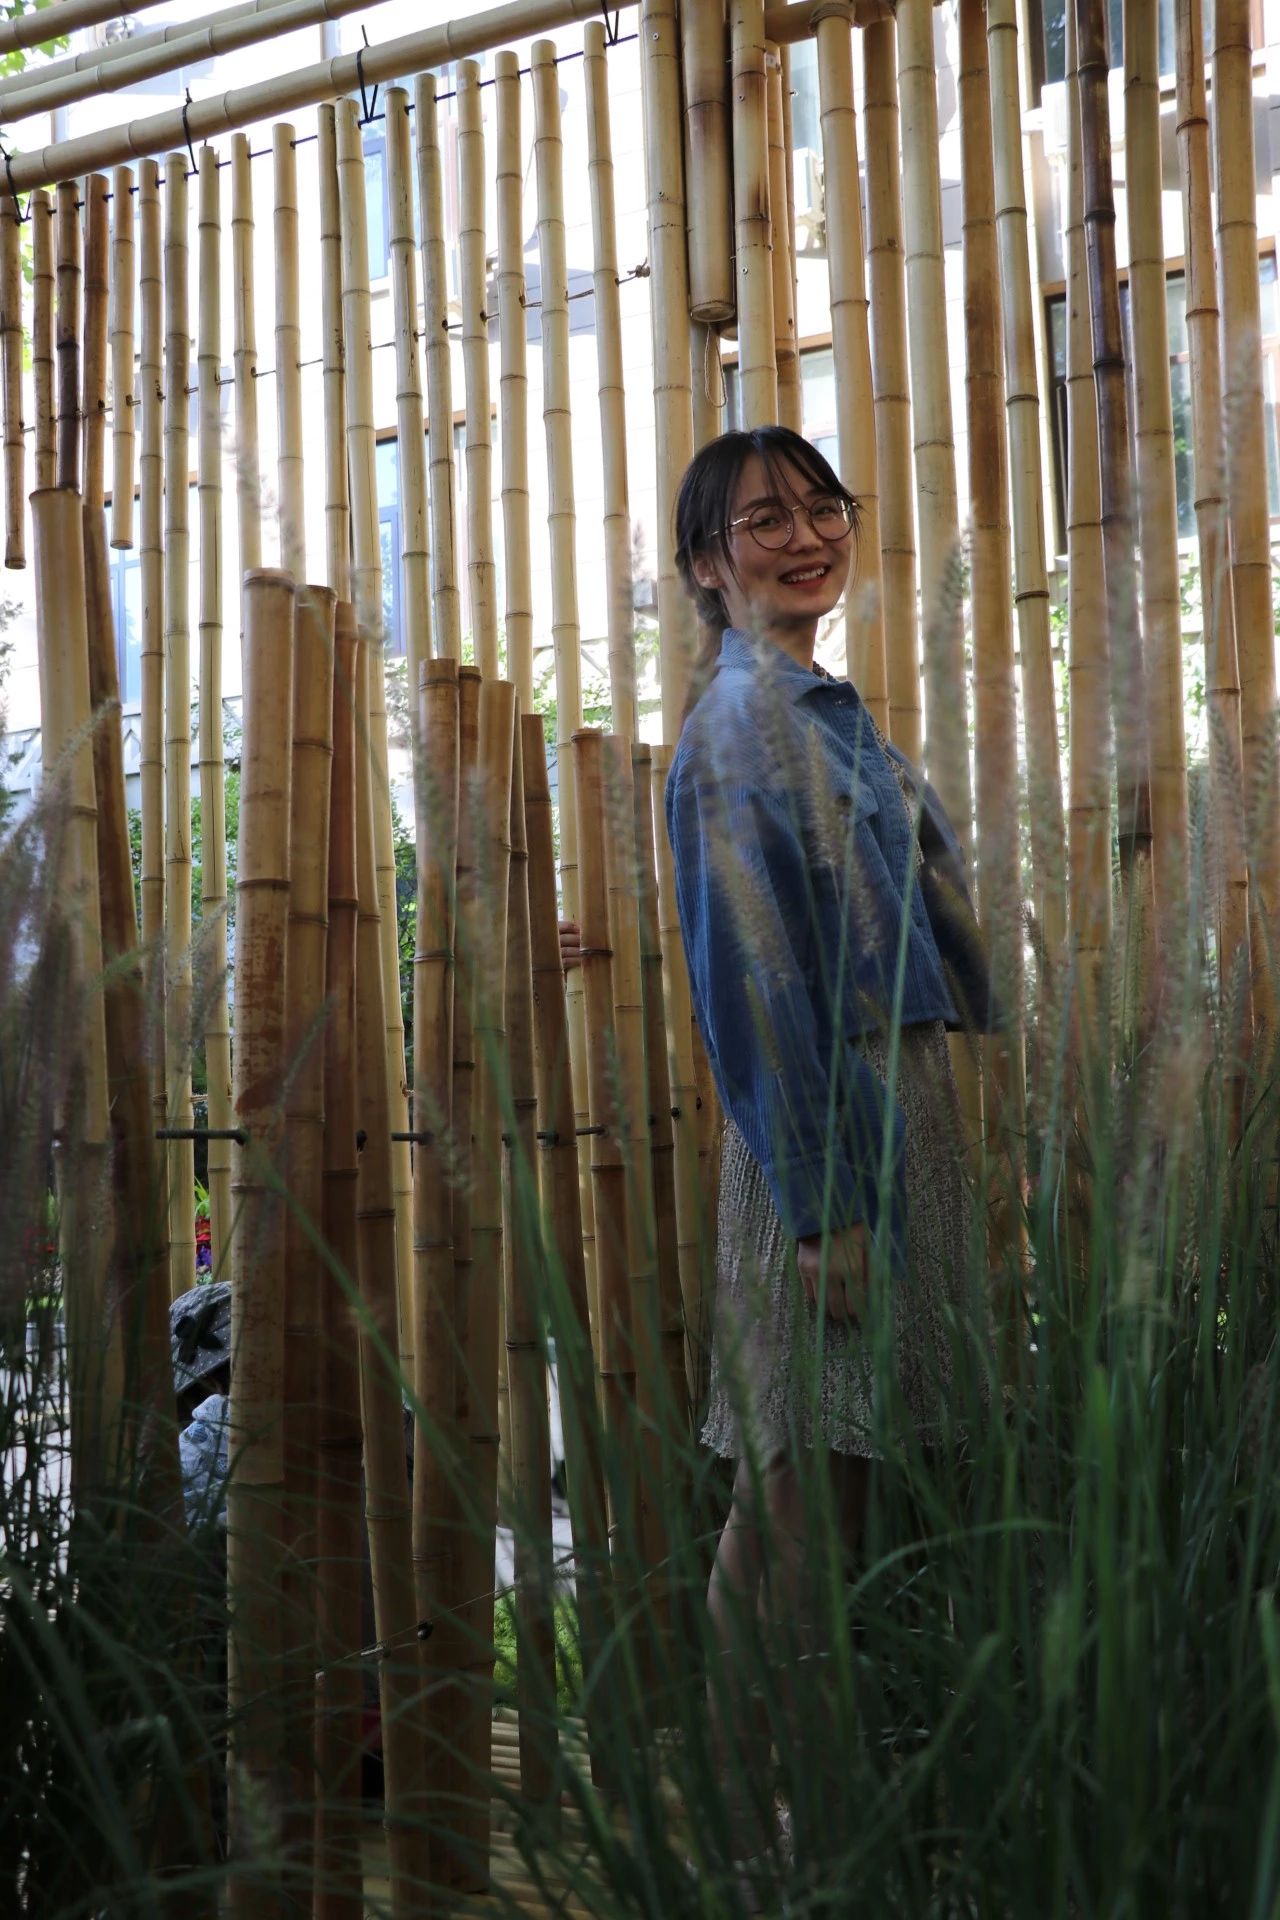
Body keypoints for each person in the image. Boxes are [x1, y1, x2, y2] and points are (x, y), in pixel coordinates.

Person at [665, 425, 997, 1891]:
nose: (805, 536)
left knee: (847, 1484)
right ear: (706, 564)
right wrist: (822, 1208)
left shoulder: (819, 706)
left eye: (822, 508)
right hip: (830, 1128)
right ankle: (740, 1848)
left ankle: (808, 1821)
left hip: (894, 1108)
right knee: (797, 1488)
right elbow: (755, 984)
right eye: (764, 520)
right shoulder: (743, 723)